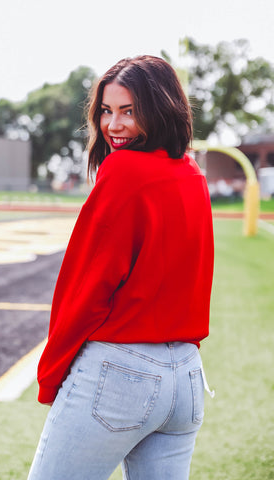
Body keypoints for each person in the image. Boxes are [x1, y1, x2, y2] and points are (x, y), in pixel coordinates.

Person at [27, 55, 214, 480]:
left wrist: (52, 375)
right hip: (185, 376)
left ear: (160, 107)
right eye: (106, 111)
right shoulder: (192, 174)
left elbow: (85, 288)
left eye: (129, 111)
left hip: (120, 375)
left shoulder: (124, 171)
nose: (113, 126)